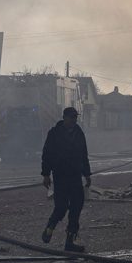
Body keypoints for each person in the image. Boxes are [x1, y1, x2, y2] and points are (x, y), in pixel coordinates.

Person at [40, 107, 92, 252]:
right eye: (71, 117)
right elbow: (47, 154)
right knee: (61, 207)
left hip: (75, 176)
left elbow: (84, 155)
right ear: (64, 118)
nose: (73, 120)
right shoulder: (54, 133)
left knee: (76, 207)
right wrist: (45, 174)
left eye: (75, 117)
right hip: (60, 176)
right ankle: (49, 229)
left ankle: (70, 242)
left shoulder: (79, 133)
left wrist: (87, 174)